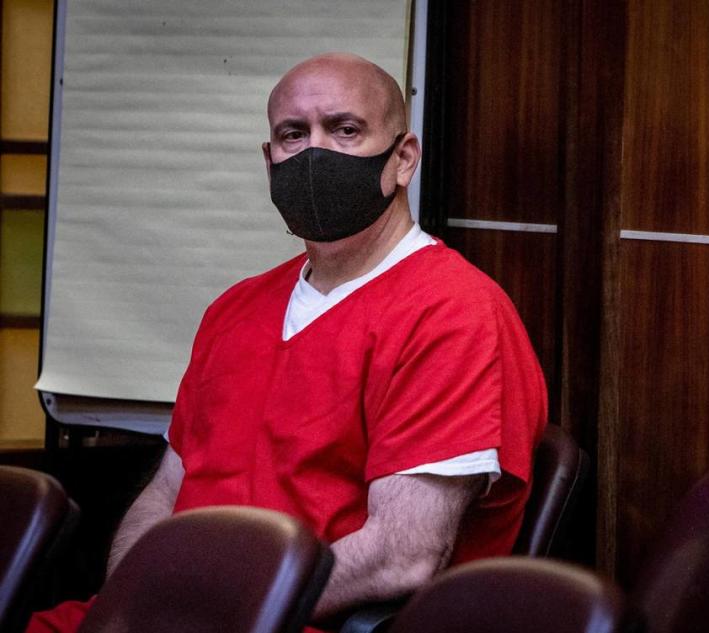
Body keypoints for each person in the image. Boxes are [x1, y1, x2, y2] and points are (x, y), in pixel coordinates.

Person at [27, 53, 547, 632]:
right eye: (292, 135)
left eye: (345, 130)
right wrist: (131, 604)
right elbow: (167, 492)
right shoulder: (235, 309)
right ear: (269, 159)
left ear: (403, 159)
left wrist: (226, 615)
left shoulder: (453, 313)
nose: (313, 152)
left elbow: (402, 555)